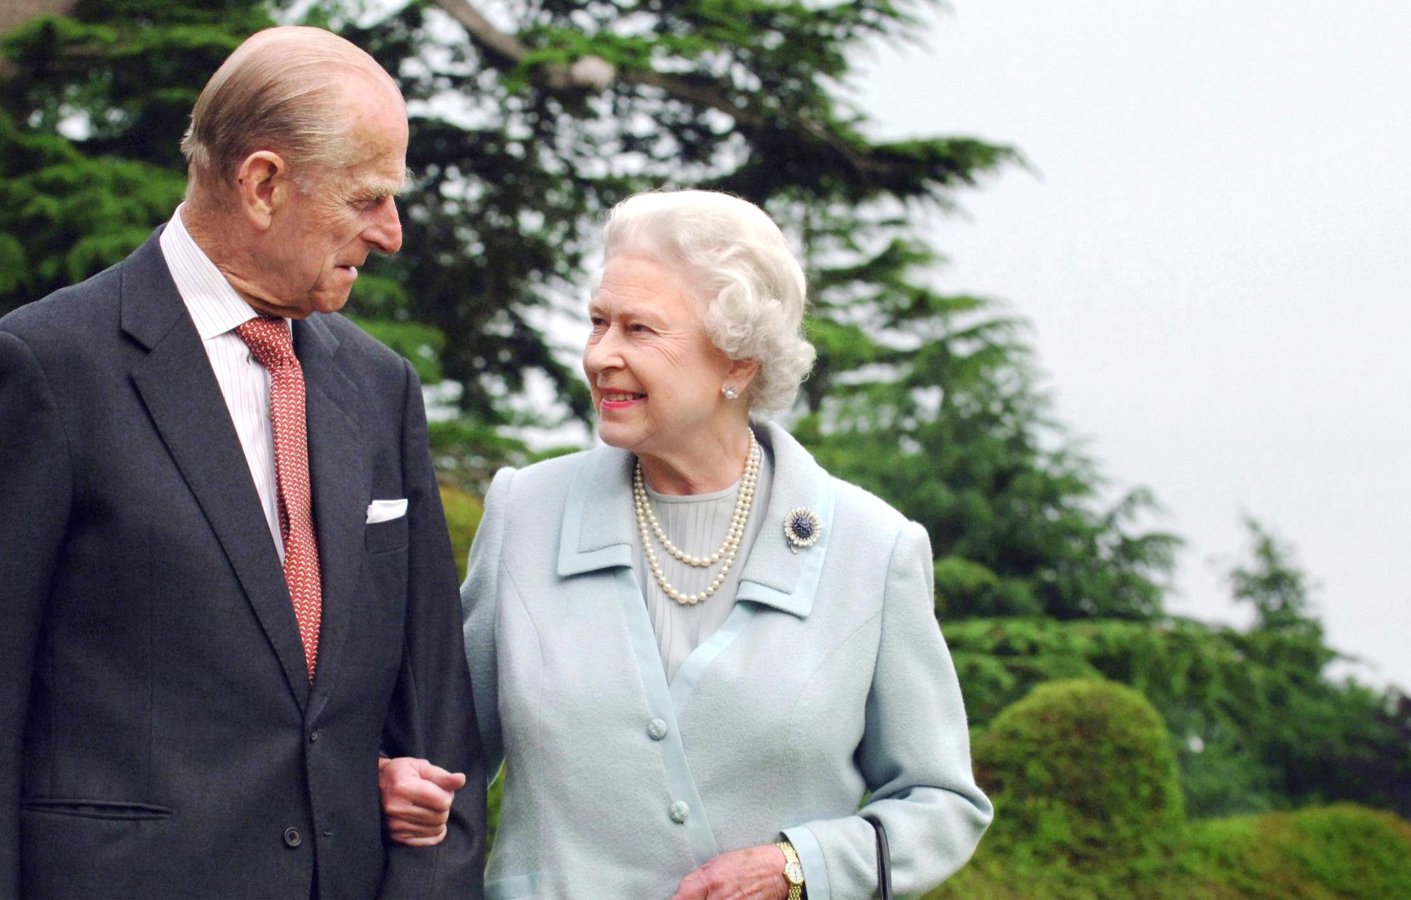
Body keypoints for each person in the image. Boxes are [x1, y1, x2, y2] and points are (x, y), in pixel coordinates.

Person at [0, 26, 483, 899]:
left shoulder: (381, 386)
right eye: (368, 199)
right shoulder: (44, 370)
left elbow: (435, 715)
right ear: (263, 183)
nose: (391, 234)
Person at [383, 190, 993, 898]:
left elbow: (942, 802)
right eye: (597, 323)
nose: (601, 355)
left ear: (738, 361)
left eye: (640, 330)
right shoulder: (526, 513)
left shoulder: (872, 549)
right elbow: (441, 753)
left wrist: (801, 868)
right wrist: (396, 776)